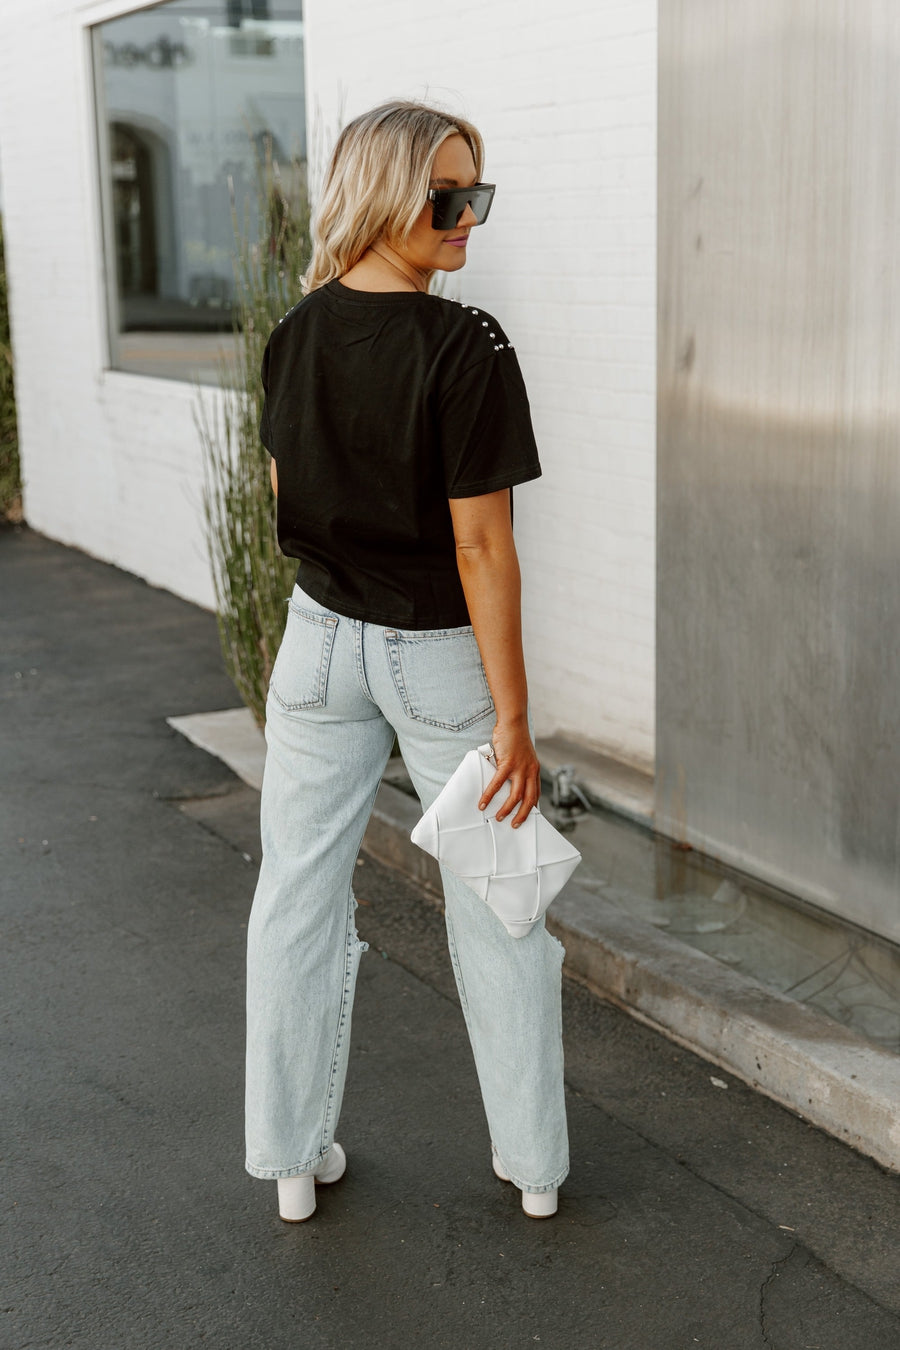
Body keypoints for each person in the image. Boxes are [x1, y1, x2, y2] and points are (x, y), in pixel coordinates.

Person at [245, 100, 568, 1222]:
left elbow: (288, 499)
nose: (467, 217)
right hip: (435, 659)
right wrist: (516, 722)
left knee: (296, 893)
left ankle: (291, 1161)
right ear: (386, 194)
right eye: (447, 197)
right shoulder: (462, 346)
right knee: (500, 905)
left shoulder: (293, 335)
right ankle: (532, 1169)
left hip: (316, 647)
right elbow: (482, 548)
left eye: (477, 194)